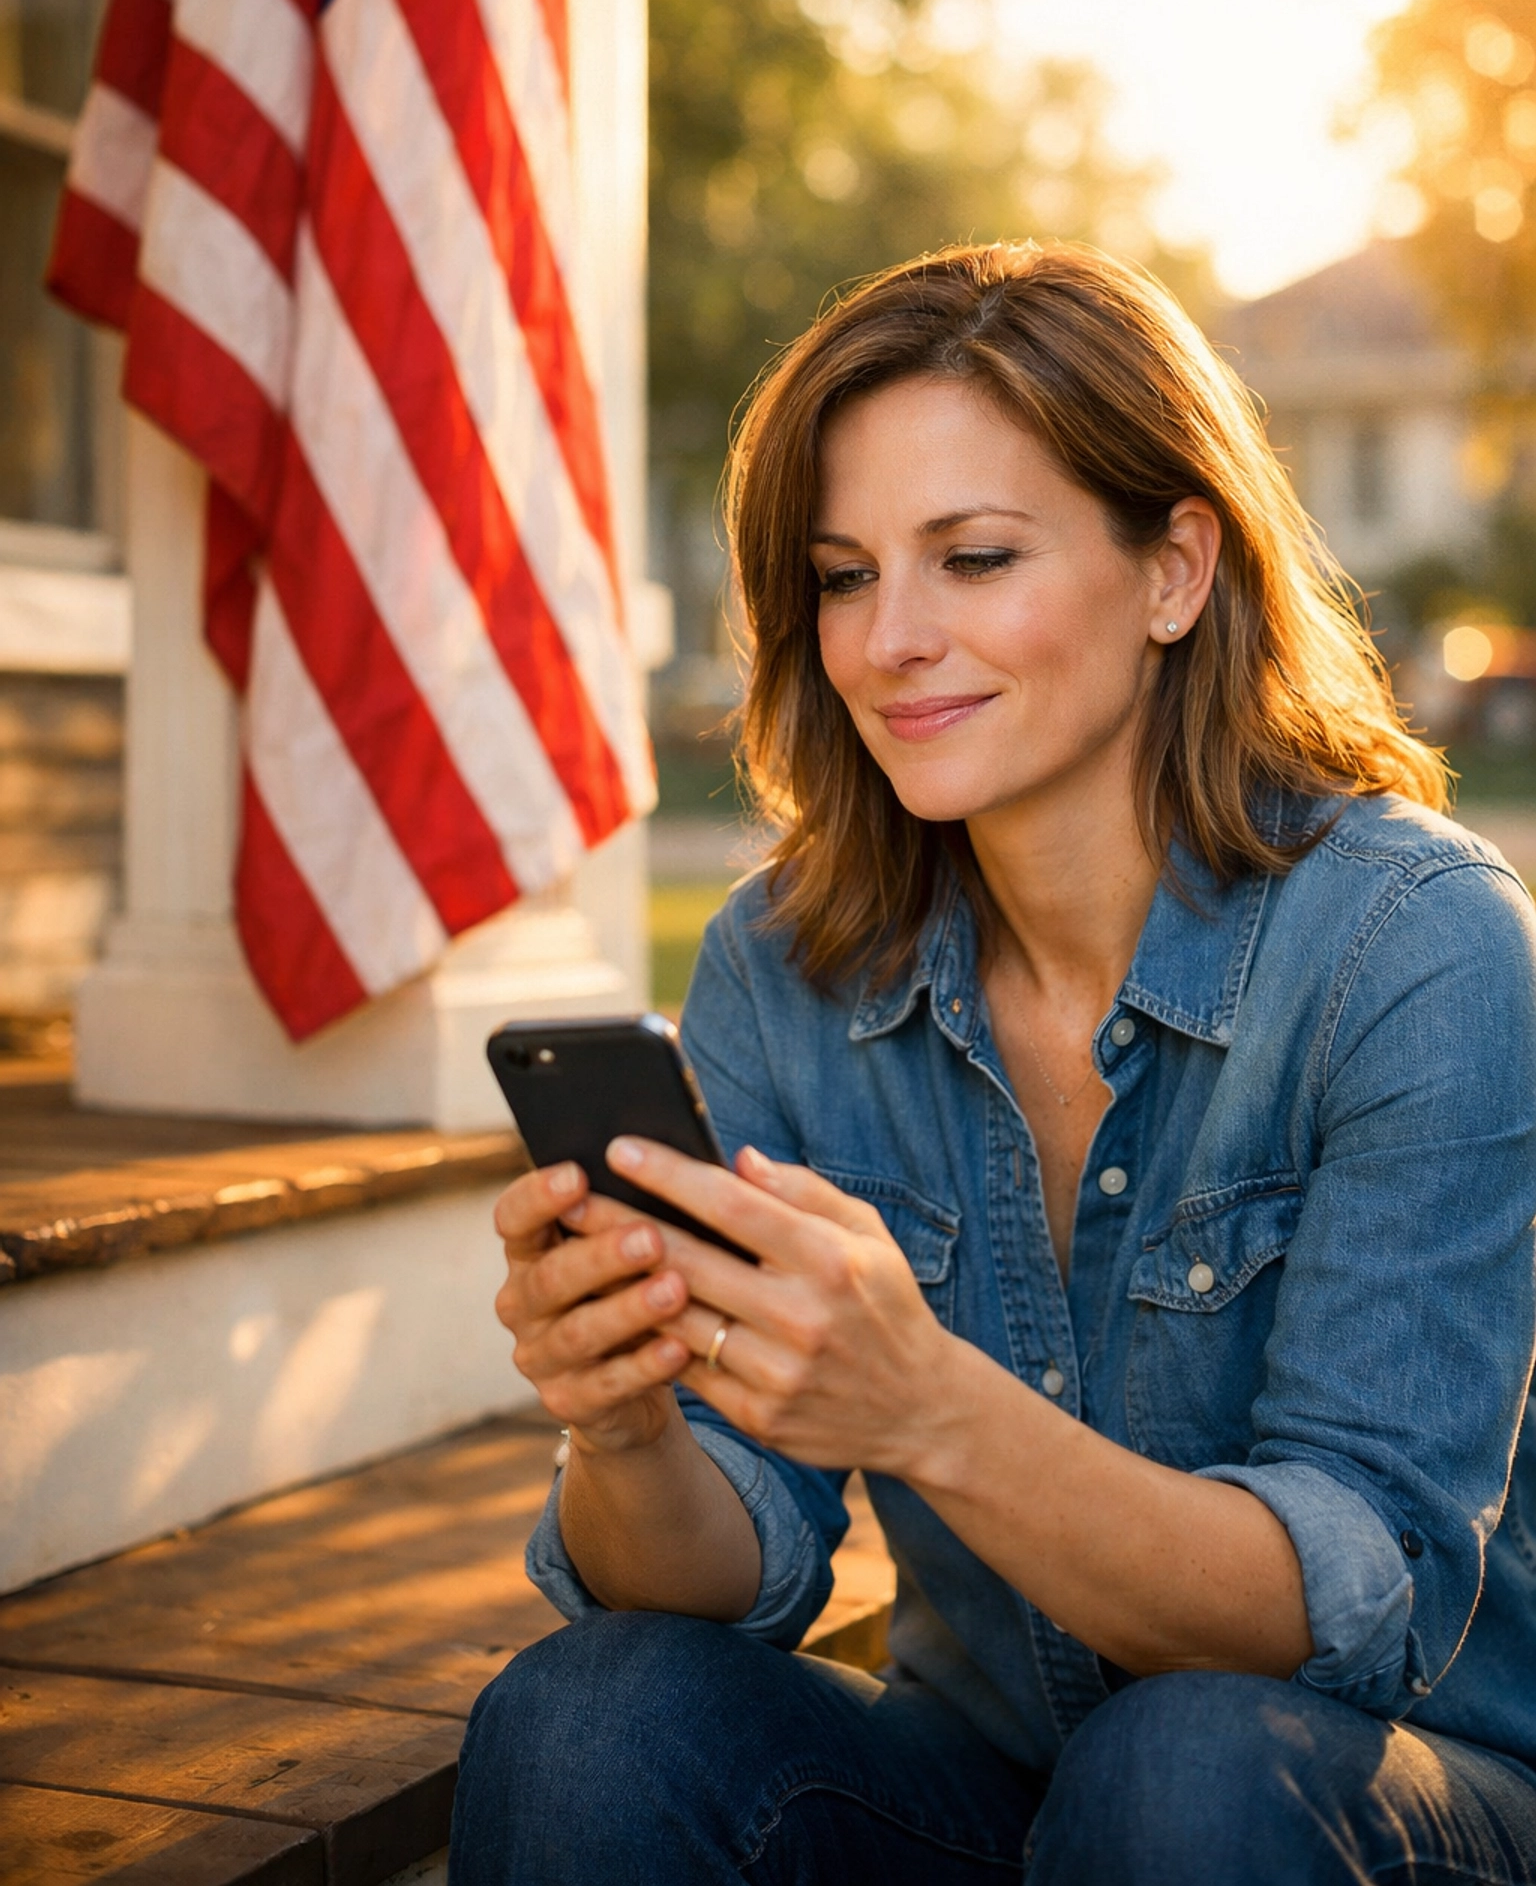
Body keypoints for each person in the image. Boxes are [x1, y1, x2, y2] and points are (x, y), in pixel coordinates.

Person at [450, 243, 1536, 1884]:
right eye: (842, 575)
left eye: (971, 557)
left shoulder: (1417, 951)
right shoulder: (783, 966)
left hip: (1380, 1798)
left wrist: (928, 1406)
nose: (892, 639)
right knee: (587, 1714)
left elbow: (1346, 1607)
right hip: (988, 1779)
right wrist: (624, 1433)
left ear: (1176, 571)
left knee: (1185, 1773)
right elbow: (728, 1565)